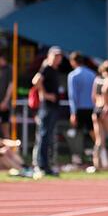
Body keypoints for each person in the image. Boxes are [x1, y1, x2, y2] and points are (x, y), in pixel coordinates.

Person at [32, 46, 63, 177]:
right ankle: (41, 165)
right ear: (49, 56)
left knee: (48, 136)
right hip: (47, 107)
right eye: (55, 56)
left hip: (53, 107)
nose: (58, 58)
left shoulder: (54, 70)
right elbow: (36, 80)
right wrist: (45, 94)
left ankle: (46, 165)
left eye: (59, 56)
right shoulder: (47, 68)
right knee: (44, 136)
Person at [67, 51, 96, 167]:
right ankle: (100, 154)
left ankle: (77, 158)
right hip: (91, 108)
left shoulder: (73, 75)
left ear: (73, 62)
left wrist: (73, 113)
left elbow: (73, 96)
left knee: (76, 134)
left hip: (79, 109)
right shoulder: (92, 74)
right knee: (94, 133)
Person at [0, 55, 12, 139]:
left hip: (5, 104)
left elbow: (11, 85)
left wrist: (5, 101)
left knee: (5, 129)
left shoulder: (9, 69)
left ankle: (7, 151)